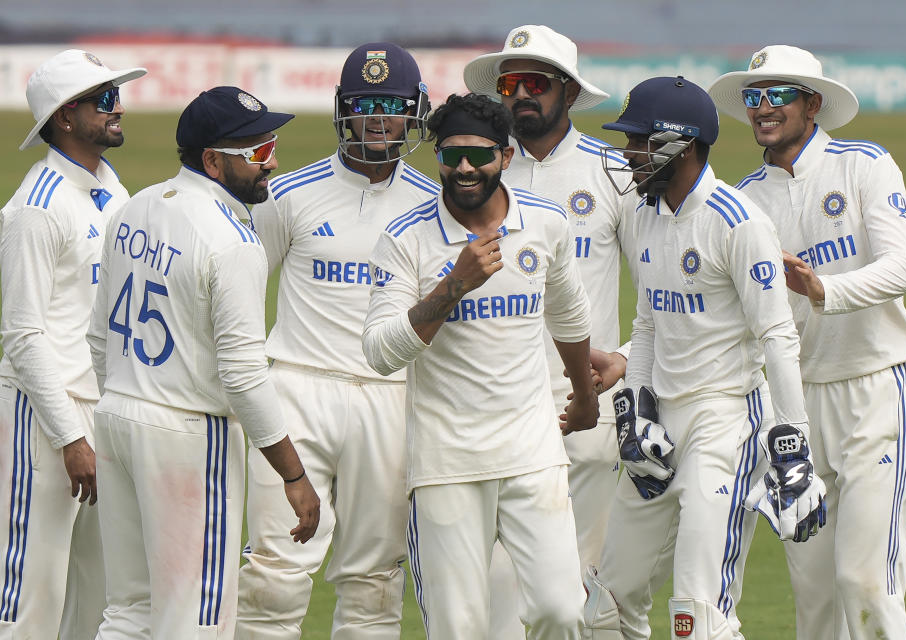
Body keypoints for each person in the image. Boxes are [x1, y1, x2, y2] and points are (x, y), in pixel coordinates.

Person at [580, 77, 826, 640]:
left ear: (681, 145)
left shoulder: (737, 222)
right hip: (662, 419)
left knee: (699, 614)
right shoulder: (643, 215)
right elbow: (646, 324)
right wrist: (638, 406)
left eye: (638, 141)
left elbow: (777, 336)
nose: (627, 154)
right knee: (605, 608)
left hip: (726, 424)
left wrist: (793, 445)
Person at [86, 86, 321, 638]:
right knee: (199, 618)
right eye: (257, 152)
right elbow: (242, 375)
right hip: (188, 434)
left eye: (272, 145)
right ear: (213, 161)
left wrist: (126, 400)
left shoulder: (135, 206)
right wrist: (293, 474)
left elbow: (98, 336)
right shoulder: (233, 240)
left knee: (128, 611)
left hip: (119, 414)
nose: (273, 163)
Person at [361, 92, 598, 640]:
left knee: (561, 609)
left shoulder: (546, 223)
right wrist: (454, 285)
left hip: (530, 451)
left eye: (478, 155)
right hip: (447, 461)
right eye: (450, 156)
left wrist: (584, 396)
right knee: (459, 628)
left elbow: (568, 313)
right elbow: (379, 354)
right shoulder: (405, 239)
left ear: (506, 157)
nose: (464, 168)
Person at [709, 45, 906, 640]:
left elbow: (902, 267)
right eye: (753, 97)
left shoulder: (865, 164)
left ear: (813, 103)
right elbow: (714, 306)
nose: (762, 108)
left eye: (777, 95)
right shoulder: (745, 198)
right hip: (796, 409)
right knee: (816, 598)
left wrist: (820, 287)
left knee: (866, 584)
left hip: (877, 388)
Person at [235, 42, 438, 640]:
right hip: (299, 389)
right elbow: (243, 294)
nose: (379, 118)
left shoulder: (434, 202)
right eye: (365, 104)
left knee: (374, 581)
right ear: (342, 110)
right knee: (273, 575)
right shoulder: (287, 194)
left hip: (393, 398)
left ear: (415, 112)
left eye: (393, 105)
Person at [462, 25, 643, 637]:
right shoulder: (479, 175)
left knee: (574, 589)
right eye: (511, 84)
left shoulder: (615, 172)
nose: (521, 97)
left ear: (568, 92)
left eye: (535, 83)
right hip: (490, 407)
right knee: (493, 589)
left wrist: (626, 357)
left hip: (584, 406)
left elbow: (667, 285)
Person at [0, 49, 145, 639]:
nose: (117, 109)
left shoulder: (110, 186)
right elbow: (21, 335)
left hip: (101, 413)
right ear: (65, 116)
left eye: (116, 96)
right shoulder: (32, 211)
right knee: (31, 594)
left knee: (99, 599)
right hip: (44, 418)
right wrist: (70, 436)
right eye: (103, 99)